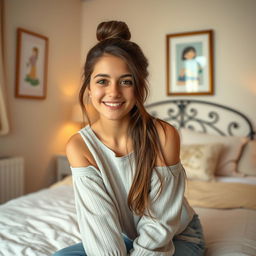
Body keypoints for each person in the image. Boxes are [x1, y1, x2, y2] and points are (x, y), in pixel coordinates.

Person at [53, 21, 205, 256]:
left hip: (177, 235)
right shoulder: (79, 146)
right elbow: (100, 225)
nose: (113, 92)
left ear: (138, 87)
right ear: (89, 87)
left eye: (126, 81)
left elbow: (159, 225)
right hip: (126, 235)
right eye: (102, 81)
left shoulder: (163, 135)